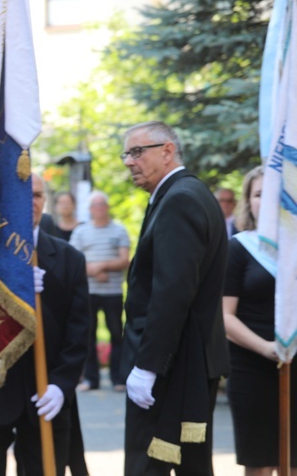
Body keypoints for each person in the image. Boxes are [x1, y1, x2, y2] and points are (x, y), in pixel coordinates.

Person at [0, 173, 90, 476]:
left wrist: (62, 385)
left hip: (44, 393)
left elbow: (78, 332)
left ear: (45, 200)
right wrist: (5, 287)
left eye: (37, 195)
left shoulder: (68, 257)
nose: (30, 203)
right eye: (21, 196)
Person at [120, 121, 229, 475]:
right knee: (190, 465)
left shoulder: (180, 199)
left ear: (167, 151)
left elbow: (172, 292)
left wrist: (148, 365)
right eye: (126, 153)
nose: (128, 162)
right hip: (186, 359)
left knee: (147, 462)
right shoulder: (185, 193)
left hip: (174, 365)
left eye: (137, 152)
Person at [223, 165, 296, 475]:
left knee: (293, 462)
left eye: (274, 194)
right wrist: (265, 348)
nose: (265, 201)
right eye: (258, 194)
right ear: (248, 202)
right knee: (260, 461)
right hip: (251, 364)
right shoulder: (238, 248)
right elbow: (224, 317)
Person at [70, 190, 130, 392]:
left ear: (107, 207)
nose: (99, 209)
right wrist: (96, 271)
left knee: (116, 335)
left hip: (112, 293)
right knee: (88, 335)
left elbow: (124, 260)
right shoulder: (80, 232)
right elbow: (73, 262)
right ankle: (90, 379)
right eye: (95, 205)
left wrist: (101, 266)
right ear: (90, 209)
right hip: (89, 292)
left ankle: (118, 379)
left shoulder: (119, 230)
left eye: (102, 205)